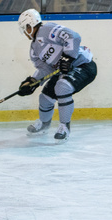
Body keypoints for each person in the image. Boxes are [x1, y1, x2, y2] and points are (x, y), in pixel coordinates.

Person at [16, 9, 97, 141]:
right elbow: (45, 69)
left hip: (83, 65)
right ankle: (44, 124)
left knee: (62, 86)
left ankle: (64, 127)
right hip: (64, 72)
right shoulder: (34, 49)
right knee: (45, 97)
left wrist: (68, 57)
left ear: (31, 25)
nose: (25, 32)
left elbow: (73, 37)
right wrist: (33, 81)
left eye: (25, 28)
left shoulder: (48, 29)